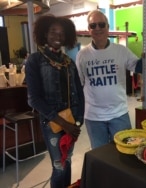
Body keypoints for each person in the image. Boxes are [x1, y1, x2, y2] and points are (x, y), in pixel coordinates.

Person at [76, 10, 146, 149]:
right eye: (93, 25)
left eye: (101, 24)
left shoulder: (121, 50)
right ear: (89, 30)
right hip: (94, 117)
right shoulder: (82, 55)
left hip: (119, 114)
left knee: (124, 152)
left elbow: (141, 67)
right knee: (100, 156)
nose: (98, 28)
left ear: (108, 27)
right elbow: (78, 84)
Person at [25, 14, 84, 188]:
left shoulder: (69, 62)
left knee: (68, 160)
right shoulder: (35, 60)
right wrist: (64, 124)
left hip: (72, 122)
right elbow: (34, 99)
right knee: (59, 165)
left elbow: (80, 95)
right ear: (44, 34)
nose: (58, 37)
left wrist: (78, 121)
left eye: (62, 33)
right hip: (52, 123)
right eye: (53, 32)